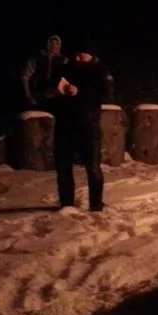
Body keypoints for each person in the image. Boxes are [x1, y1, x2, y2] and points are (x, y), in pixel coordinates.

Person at [52, 42, 114, 211]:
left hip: (88, 124)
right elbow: (48, 88)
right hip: (65, 124)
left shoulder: (100, 70)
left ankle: (96, 204)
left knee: (93, 166)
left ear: (91, 54)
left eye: (82, 54)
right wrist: (56, 93)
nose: (78, 58)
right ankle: (66, 203)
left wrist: (80, 93)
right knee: (63, 166)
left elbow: (107, 94)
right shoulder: (66, 69)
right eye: (76, 54)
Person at [21, 35, 68, 109]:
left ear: (60, 45)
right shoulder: (36, 59)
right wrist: (28, 96)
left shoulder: (64, 61)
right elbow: (25, 77)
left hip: (58, 99)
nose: (54, 46)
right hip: (37, 98)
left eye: (57, 43)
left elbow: (68, 79)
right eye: (51, 43)